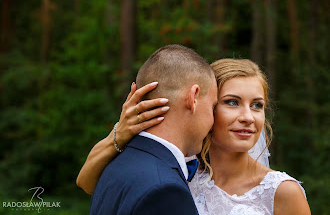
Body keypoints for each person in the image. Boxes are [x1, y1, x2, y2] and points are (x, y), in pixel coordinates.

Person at [78, 58, 311, 215]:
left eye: (257, 105)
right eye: (232, 102)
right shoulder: (179, 171)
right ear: (205, 106)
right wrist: (119, 133)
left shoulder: (282, 191)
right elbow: (89, 183)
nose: (248, 117)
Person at [88, 44, 218, 215]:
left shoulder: (113, 164)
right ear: (193, 98)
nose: (213, 120)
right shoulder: (166, 190)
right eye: (212, 106)